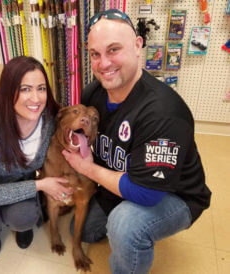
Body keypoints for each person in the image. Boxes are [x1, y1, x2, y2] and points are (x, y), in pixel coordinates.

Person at [62, 9, 211, 274]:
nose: (103, 63)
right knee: (82, 229)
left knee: (125, 225)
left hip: (173, 195)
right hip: (122, 179)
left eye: (114, 50)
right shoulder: (92, 92)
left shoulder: (164, 113)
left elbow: (147, 193)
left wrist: (87, 169)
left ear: (138, 45)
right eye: (95, 54)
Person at [0, 56, 73, 259]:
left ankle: (18, 223)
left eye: (41, 88)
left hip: (18, 180)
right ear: (8, 91)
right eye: (25, 89)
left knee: (25, 217)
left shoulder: (49, 119)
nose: (36, 99)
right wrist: (42, 185)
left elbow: (72, 136)